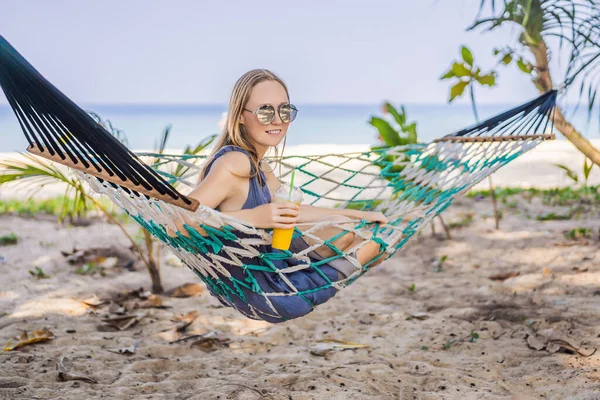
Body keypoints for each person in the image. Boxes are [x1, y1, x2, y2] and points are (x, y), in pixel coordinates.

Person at [174, 69, 387, 322]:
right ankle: (342, 266)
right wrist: (253, 217)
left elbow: (292, 210)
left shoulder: (260, 165)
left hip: (270, 269)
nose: (277, 120)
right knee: (371, 245)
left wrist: (359, 213)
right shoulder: (236, 162)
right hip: (267, 294)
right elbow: (178, 222)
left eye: (285, 111)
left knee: (349, 230)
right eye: (265, 111)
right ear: (240, 116)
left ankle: (349, 255)